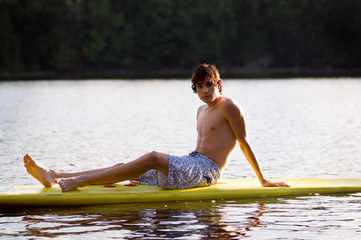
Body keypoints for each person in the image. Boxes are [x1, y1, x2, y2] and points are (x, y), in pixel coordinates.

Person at [23, 63, 289, 192]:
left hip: (207, 171)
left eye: (210, 85)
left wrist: (263, 180)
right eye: (200, 86)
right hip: (190, 163)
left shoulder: (228, 106)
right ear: (194, 89)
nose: (206, 91)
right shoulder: (201, 110)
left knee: (152, 157)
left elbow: (243, 142)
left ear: (219, 85)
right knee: (125, 169)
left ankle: (76, 182)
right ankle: (55, 174)